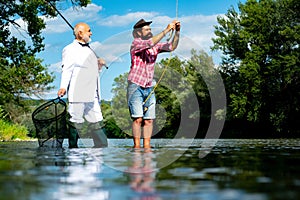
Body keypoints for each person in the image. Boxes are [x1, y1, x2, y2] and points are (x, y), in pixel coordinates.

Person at [127, 19, 181, 148]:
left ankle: (146, 147)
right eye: (147, 30)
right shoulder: (136, 43)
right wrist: (167, 30)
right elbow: (150, 43)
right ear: (138, 33)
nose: (150, 31)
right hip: (135, 85)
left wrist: (177, 32)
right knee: (138, 119)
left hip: (150, 86)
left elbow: (172, 46)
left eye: (150, 29)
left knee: (149, 120)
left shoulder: (155, 46)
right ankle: (136, 147)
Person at [57, 22, 108, 148]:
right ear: (80, 33)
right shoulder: (69, 49)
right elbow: (67, 69)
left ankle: (101, 150)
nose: (91, 33)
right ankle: (73, 151)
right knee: (76, 120)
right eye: (89, 30)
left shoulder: (90, 50)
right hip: (78, 92)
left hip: (93, 93)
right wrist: (63, 86)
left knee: (97, 120)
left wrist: (99, 65)